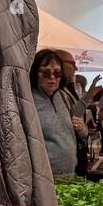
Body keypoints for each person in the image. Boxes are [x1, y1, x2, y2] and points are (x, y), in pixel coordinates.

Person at [30, 48, 84, 178]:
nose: (52, 78)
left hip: (70, 175)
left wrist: (82, 129)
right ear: (35, 73)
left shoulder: (64, 96)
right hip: (43, 179)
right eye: (45, 73)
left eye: (57, 73)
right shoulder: (28, 101)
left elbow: (78, 132)